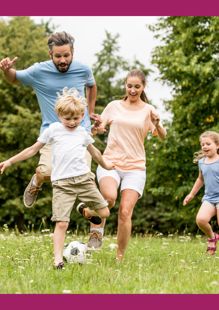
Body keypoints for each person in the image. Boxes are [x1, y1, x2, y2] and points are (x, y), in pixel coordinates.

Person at [0, 87, 114, 268]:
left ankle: (85, 210)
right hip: (62, 184)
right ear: (59, 115)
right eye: (68, 119)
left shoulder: (83, 133)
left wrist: (107, 165)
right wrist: (10, 161)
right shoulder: (53, 130)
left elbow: (96, 153)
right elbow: (32, 149)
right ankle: (58, 259)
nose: (72, 122)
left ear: (82, 115)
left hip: (83, 181)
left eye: (76, 118)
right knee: (61, 223)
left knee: (105, 212)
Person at [0, 31, 101, 208]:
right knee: (48, 173)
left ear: (73, 52)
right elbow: (13, 78)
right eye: (58, 56)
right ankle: (37, 179)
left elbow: (91, 84)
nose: (62, 60)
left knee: (87, 180)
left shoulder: (83, 69)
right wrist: (6, 70)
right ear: (50, 54)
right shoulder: (39, 71)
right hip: (52, 135)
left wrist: (89, 112)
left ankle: (95, 233)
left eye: (66, 55)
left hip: (80, 132)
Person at [86, 69, 166, 261]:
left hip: (136, 168)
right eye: (129, 86)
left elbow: (162, 136)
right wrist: (96, 128)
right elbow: (95, 130)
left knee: (124, 212)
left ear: (143, 87)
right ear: (125, 86)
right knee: (109, 197)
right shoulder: (114, 106)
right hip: (110, 162)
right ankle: (95, 227)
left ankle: (119, 257)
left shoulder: (149, 111)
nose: (132, 90)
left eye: (137, 86)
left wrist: (158, 123)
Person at [183, 131, 219, 255]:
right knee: (201, 220)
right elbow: (200, 179)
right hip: (209, 198)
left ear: (217, 145)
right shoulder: (202, 162)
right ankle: (212, 237)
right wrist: (191, 194)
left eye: (208, 144)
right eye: (203, 144)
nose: (205, 146)